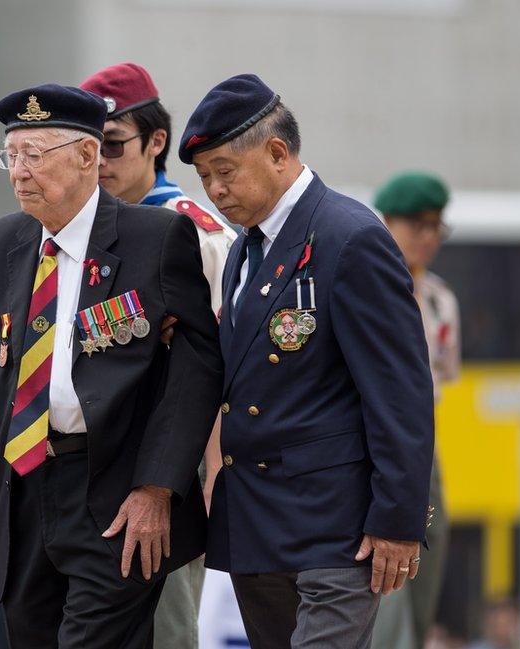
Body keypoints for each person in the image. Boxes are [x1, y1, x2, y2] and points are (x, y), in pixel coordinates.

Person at [0, 83, 222, 648]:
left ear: (87, 156)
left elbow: (196, 369)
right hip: (26, 488)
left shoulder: (154, 238)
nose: (18, 171)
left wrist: (158, 487)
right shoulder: (3, 241)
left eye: (34, 155)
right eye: (10, 156)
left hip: (117, 493)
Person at [180, 74, 434, 648]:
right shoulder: (247, 246)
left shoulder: (350, 237)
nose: (214, 190)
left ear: (276, 153)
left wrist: (398, 519)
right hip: (258, 530)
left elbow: (400, 393)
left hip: (336, 531)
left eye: (225, 171)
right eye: (204, 179)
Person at [80, 61, 238, 649]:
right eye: (86, 147)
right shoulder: (81, 232)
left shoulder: (195, 233)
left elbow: (222, 367)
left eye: (114, 146)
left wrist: (210, 472)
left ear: (156, 142)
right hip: (88, 458)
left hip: (167, 461)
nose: (98, 163)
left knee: (164, 623)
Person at [371, 171, 460, 649]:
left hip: (425, 453)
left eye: (436, 228)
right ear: (386, 223)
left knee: (427, 580)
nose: (428, 238)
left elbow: (439, 384)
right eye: (417, 225)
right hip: (372, 448)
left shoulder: (440, 301)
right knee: (383, 591)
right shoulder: (364, 286)